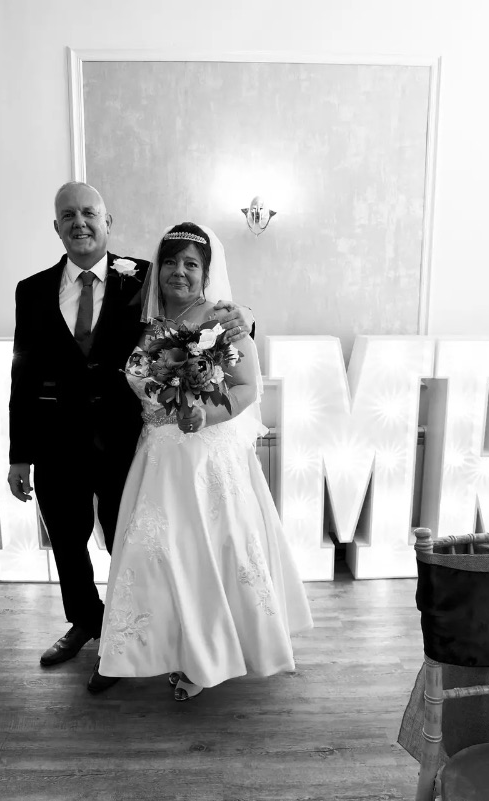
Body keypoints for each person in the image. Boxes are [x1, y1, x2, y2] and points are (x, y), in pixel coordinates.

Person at [6, 183, 253, 694]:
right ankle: (85, 623)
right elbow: (23, 375)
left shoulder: (146, 275)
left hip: (128, 444)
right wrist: (18, 455)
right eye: (68, 215)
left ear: (108, 220)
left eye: (90, 213)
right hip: (57, 444)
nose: (80, 222)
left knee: (135, 547)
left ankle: (130, 640)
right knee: (68, 542)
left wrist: (240, 317)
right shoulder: (30, 290)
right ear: (56, 226)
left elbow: (201, 309)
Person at [98, 222, 312, 701]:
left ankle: (207, 660)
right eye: (171, 262)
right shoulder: (143, 321)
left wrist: (203, 413)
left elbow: (245, 388)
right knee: (155, 558)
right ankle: (165, 649)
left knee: (209, 558)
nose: (179, 272)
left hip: (205, 462)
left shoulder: (222, 320)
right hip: (155, 459)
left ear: (206, 272)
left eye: (191, 264)